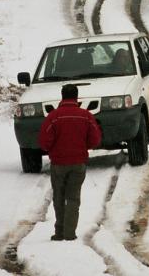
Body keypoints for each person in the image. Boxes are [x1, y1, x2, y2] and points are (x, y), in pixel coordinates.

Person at [38, 84, 102, 241]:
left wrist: (54, 149)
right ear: (76, 97)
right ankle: (70, 233)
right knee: (73, 198)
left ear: (62, 96)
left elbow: (43, 142)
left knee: (58, 197)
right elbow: (95, 140)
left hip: (58, 164)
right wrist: (82, 146)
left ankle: (59, 232)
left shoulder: (53, 116)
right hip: (78, 163)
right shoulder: (86, 116)